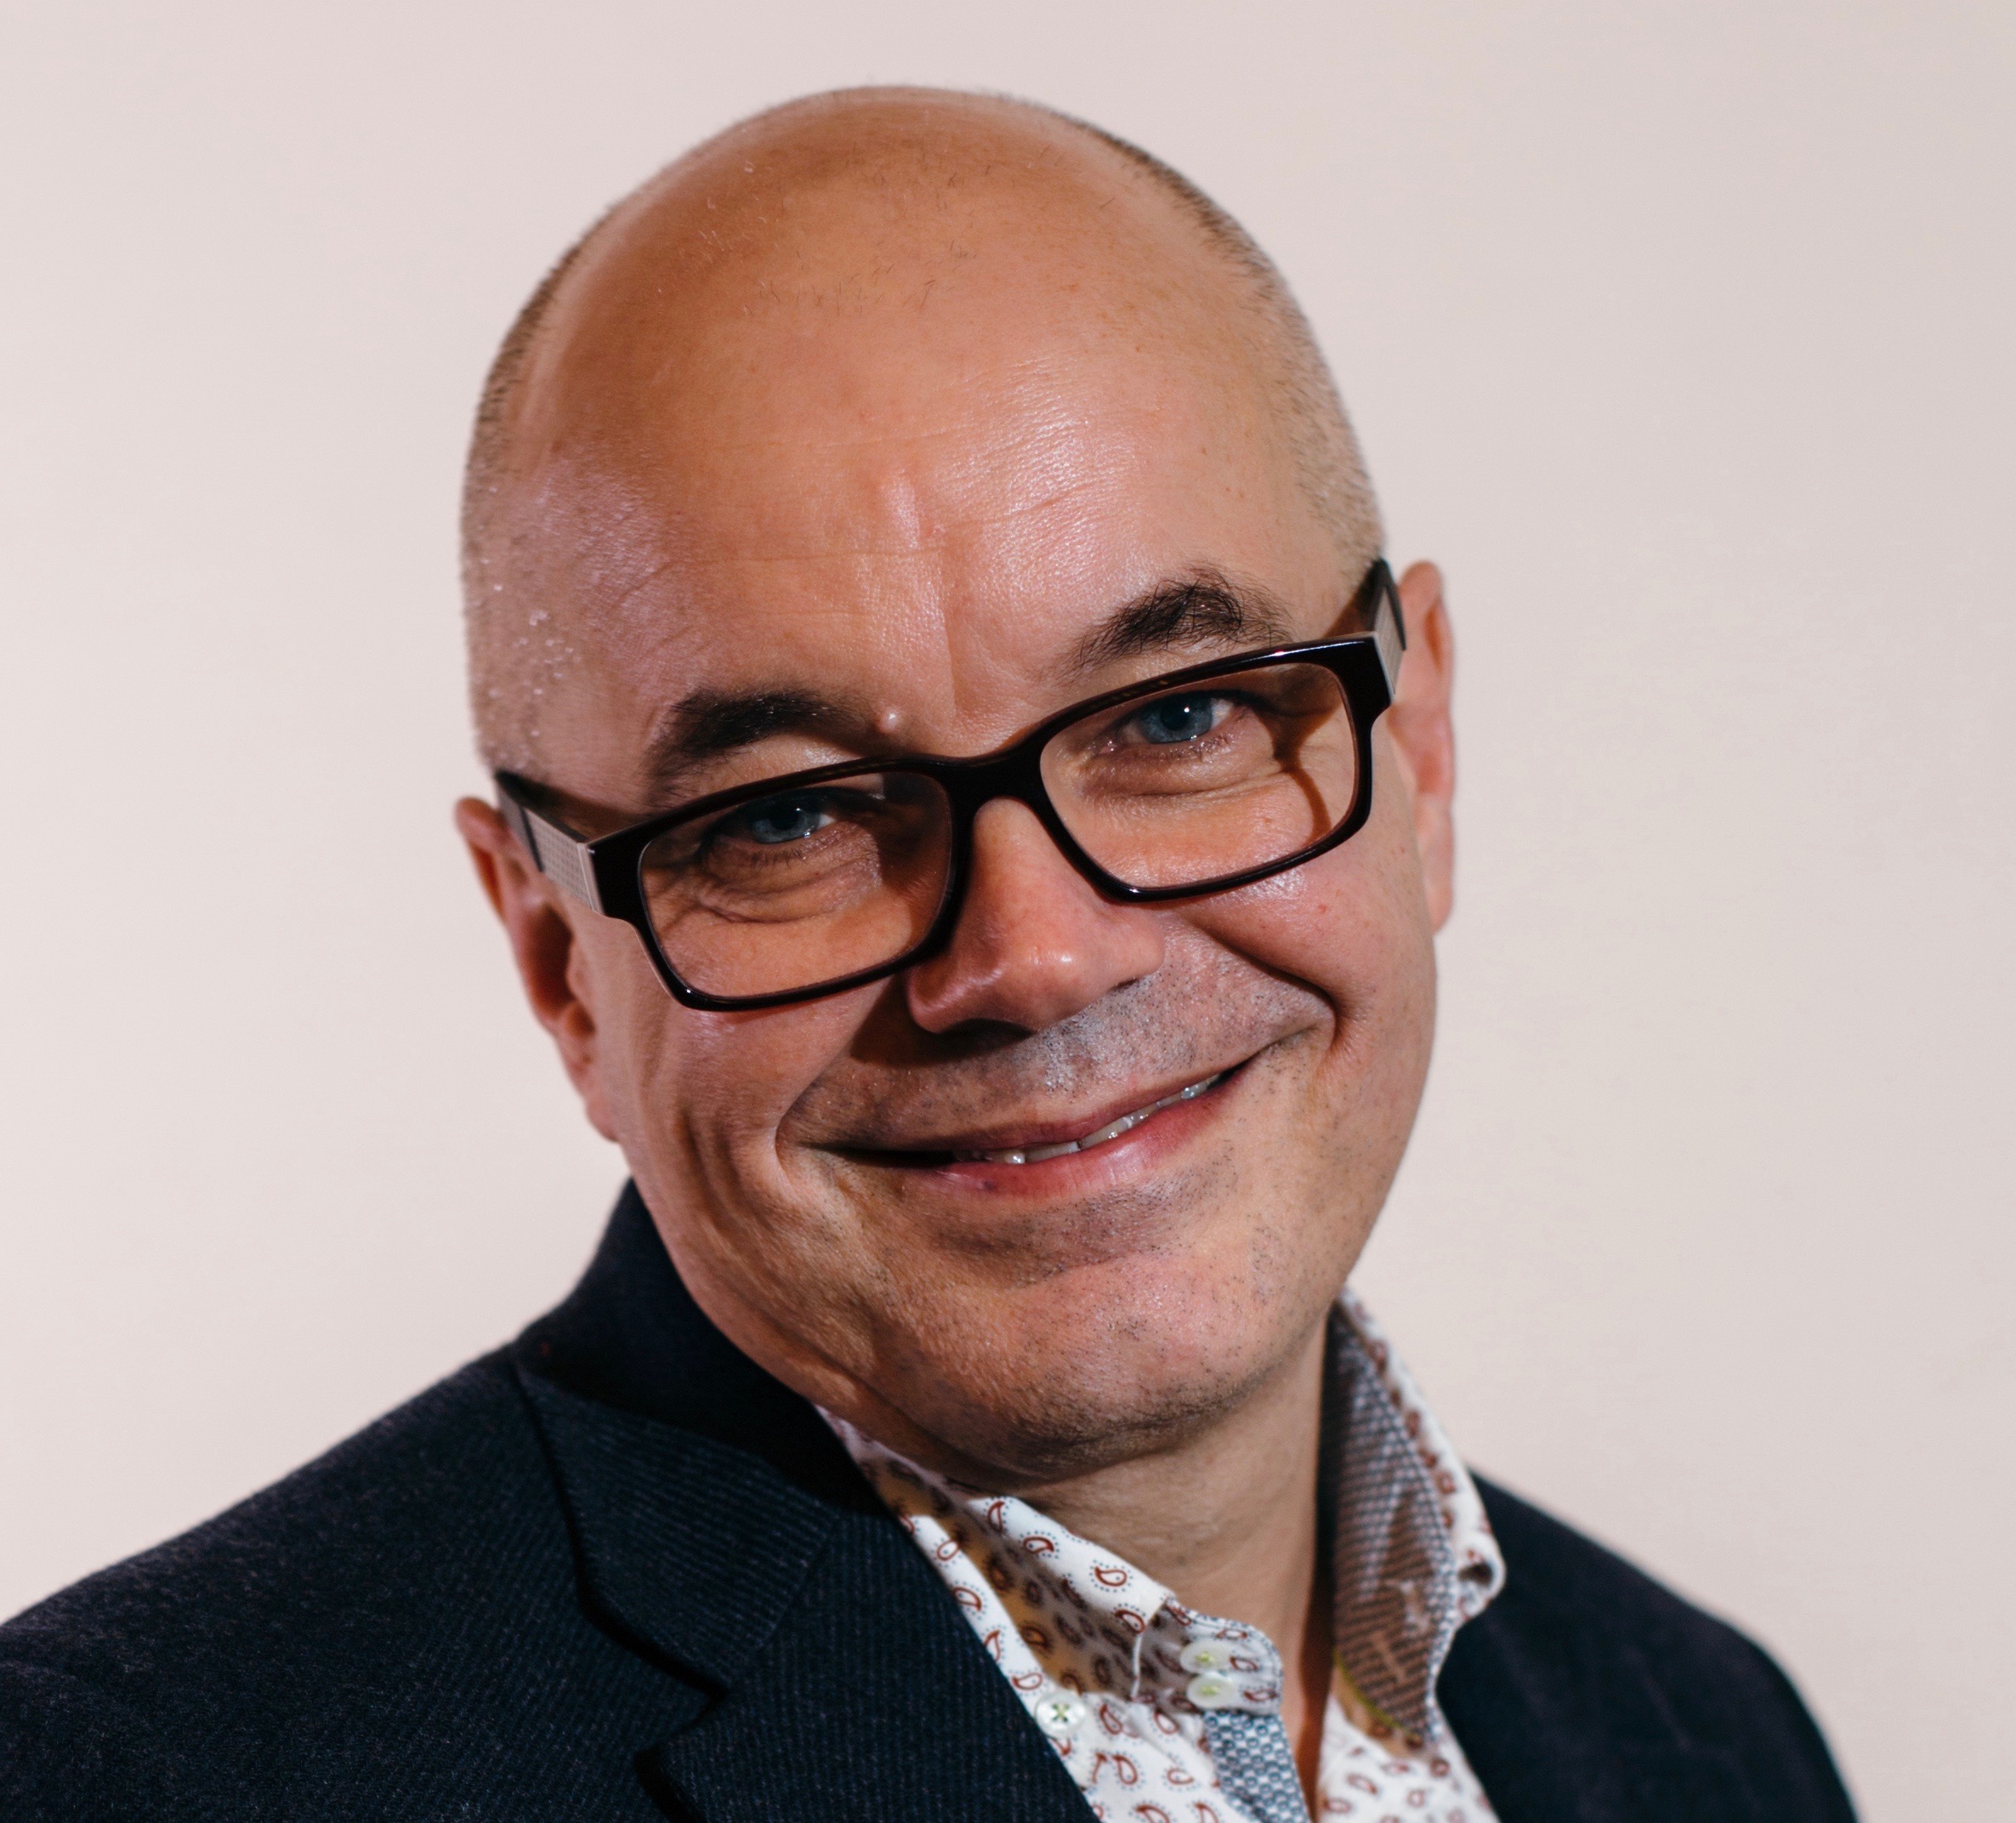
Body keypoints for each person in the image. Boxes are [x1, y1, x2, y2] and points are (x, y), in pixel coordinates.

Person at [0, 88, 1857, 1823]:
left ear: (1420, 755)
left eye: (1179, 717)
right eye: (789, 819)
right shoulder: (139, 1779)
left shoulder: (1700, 1734)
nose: (1034, 957)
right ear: (561, 962)